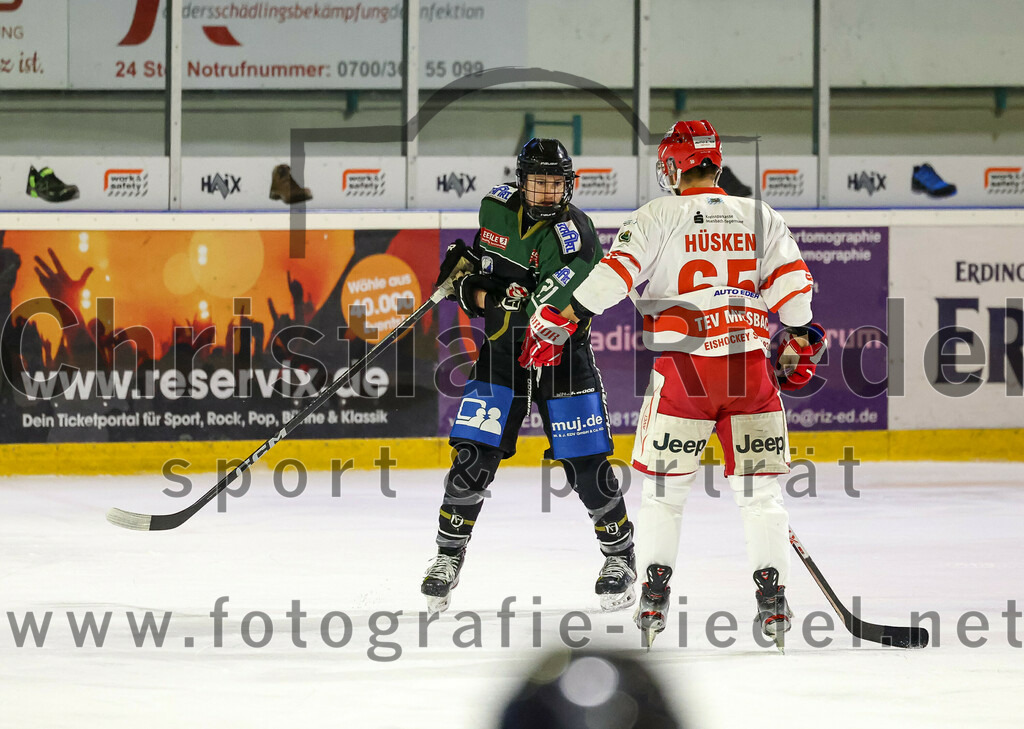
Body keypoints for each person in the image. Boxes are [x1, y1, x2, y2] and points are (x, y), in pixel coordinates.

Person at [519, 121, 826, 650]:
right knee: (761, 496)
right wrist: (801, 337)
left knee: (664, 494)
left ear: (677, 164)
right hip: (749, 371)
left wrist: (559, 318)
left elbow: (611, 279)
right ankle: (772, 600)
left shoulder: (657, 215)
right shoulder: (761, 215)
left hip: (684, 373)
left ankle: (655, 593)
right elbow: (797, 305)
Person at [421, 139, 637, 614]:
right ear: (521, 181)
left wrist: (492, 298)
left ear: (569, 184)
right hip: (502, 357)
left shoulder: (576, 233)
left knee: (586, 464)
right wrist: (471, 284)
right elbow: (484, 279)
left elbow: (553, 309)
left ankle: (620, 558)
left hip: (561, 356)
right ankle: (446, 556)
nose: (545, 192)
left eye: (554, 183)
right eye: (537, 182)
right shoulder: (495, 208)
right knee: (473, 456)